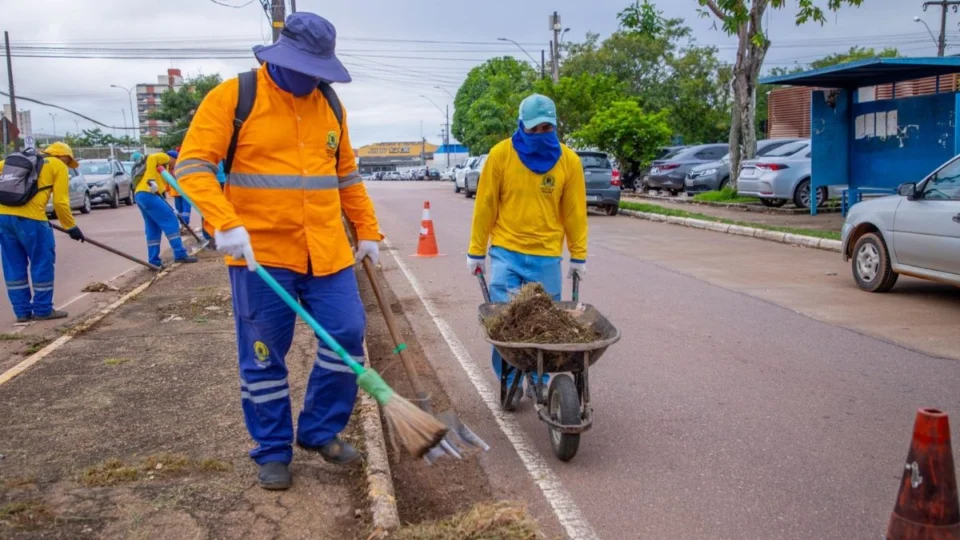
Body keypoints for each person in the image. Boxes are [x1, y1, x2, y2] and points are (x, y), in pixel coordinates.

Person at [176, 12, 382, 490]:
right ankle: (271, 449)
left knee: (347, 335)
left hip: (326, 251)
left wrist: (368, 231)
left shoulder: (330, 105)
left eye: (318, 71)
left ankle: (319, 430)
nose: (312, 79)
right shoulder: (234, 97)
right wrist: (223, 222)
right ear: (279, 56)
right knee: (265, 356)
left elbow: (346, 175)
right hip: (260, 255)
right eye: (305, 68)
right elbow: (191, 167)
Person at [467, 94, 588, 406]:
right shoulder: (500, 155)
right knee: (505, 326)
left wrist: (578, 254)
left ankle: (542, 380)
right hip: (506, 253)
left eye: (547, 127)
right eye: (534, 128)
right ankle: (508, 378)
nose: (540, 134)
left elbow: (575, 212)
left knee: (547, 328)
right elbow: (485, 206)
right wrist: (476, 251)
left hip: (547, 256)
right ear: (521, 125)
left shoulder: (568, 161)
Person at [0, 142, 85, 322]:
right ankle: (42, 309)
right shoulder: (58, 165)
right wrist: (71, 227)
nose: (68, 167)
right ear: (65, 157)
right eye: (69, 163)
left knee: (13, 265)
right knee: (41, 262)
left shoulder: (16, 160)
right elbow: (60, 202)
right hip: (33, 220)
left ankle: (22, 312)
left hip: (3, 217)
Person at [133, 151, 197, 267]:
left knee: (153, 227)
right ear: (173, 158)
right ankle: (180, 254)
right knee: (171, 220)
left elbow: (173, 182)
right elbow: (152, 157)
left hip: (140, 195)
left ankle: (154, 261)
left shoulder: (164, 169)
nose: (176, 166)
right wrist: (151, 181)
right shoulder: (164, 157)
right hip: (148, 193)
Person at [165, 150, 191, 227]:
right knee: (185, 208)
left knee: (179, 208)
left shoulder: (170, 168)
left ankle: (182, 224)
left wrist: (167, 188)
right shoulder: (181, 165)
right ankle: (184, 224)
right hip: (183, 190)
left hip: (177, 191)